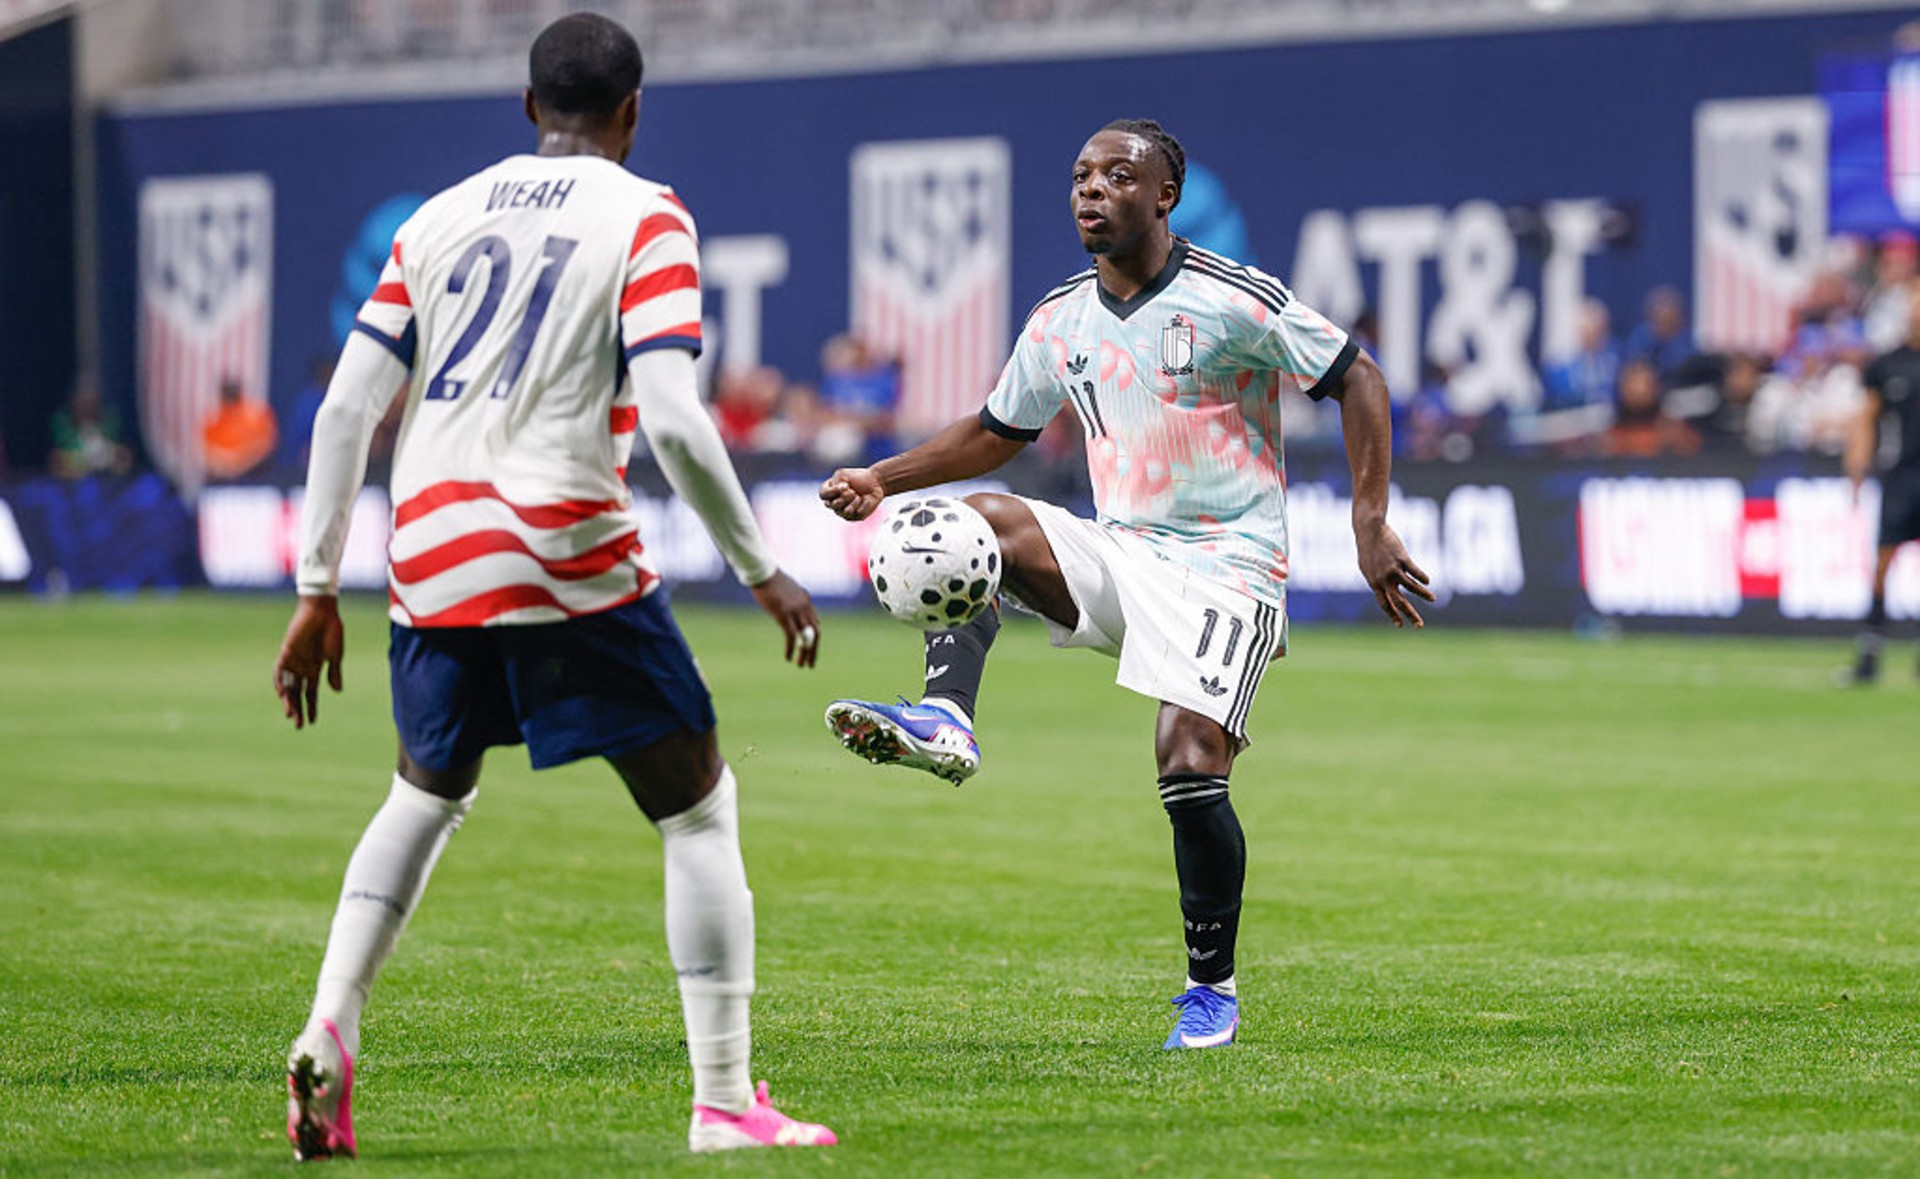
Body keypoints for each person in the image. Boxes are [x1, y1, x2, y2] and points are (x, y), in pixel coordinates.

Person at [270, 14, 836, 1159]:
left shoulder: (433, 219)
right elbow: (674, 416)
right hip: (564, 541)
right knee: (696, 807)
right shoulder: (648, 214)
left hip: (430, 559)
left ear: (527, 108)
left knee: (424, 797)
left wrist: (316, 587)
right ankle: (725, 1103)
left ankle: (332, 1023)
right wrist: (762, 570)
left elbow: (344, 410)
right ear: (633, 112)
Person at [817, 119, 1432, 1052]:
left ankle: (1210, 990)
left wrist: (1367, 522)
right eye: (1079, 176)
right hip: (1123, 551)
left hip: (1230, 569)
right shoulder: (1059, 319)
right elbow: (995, 430)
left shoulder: (1233, 298)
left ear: (1163, 196)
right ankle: (948, 719)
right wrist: (883, 479)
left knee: (1187, 762)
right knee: (974, 521)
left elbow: (1360, 380)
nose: (1090, 190)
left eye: (1115, 175)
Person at [1841, 285, 1920, 684]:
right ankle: (1870, 652)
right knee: (1883, 564)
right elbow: (1868, 417)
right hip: (1902, 476)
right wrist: (1858, 460)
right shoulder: (1888, 365)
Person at [1601, 358, 1700, 458]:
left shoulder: (1674, 431)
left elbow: (1695, 458)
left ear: (1656, 387)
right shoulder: (1611, 435)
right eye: (1632, 382)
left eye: (1644, 383)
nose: (1638, 391)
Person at [48, 375, 133, 479]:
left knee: (124, 455)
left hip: (104, 458)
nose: (86, 406)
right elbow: (63, 444)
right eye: (82, 401)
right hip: (75, 460)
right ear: (74, 401)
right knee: (57, 459)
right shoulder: (62, 420)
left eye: (90, 401)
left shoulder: (109, 417)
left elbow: (112, 443)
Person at [202, 375, 279, 481]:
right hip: (222, 476)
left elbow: (265, 443)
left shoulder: (255, 414)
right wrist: (225, 461)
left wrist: (239, 460)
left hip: (254, 475)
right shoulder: (214, 418)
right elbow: (209, 450)